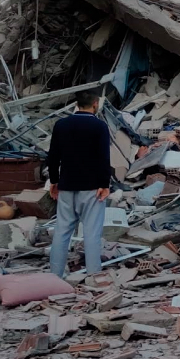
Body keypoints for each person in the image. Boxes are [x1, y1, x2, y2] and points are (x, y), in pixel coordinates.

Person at [47, 90, 111, 278]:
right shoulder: (99, 127)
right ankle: (93, 277)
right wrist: (104, 183)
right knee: (91, 234)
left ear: (77, 104)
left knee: (61, 233)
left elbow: (53, 156)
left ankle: (55, 276)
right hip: (92, 188)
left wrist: (54, 180)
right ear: (95, 104)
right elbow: (103, 158)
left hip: (66, 186)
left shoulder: (61, 125)